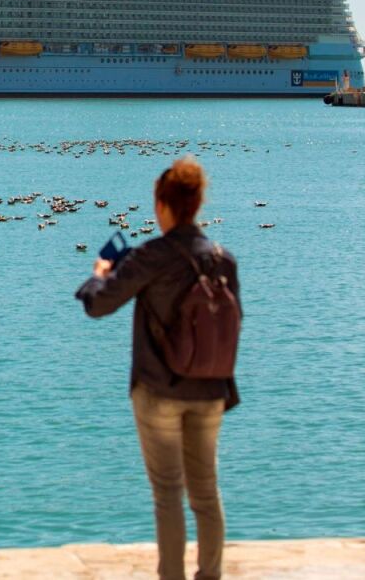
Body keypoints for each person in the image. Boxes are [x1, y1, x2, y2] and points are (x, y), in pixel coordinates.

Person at [76, 156, 241, 580]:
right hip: (211, 389)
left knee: (168, 494)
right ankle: (211, 575)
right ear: (198, 203)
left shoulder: (151, 255)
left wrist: (99, 274)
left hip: (159, 390)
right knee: (206, 493)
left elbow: (99, 305)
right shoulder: (223, 260)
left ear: (162, 206)